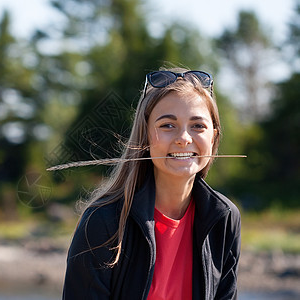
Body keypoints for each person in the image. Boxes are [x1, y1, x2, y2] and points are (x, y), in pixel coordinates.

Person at [62, 67, 241, 300]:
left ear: (214, 137)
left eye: (198, 126)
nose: (183, 138)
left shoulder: (225, 218)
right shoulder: (102, 222)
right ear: (145, 136)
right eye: (167, 125)